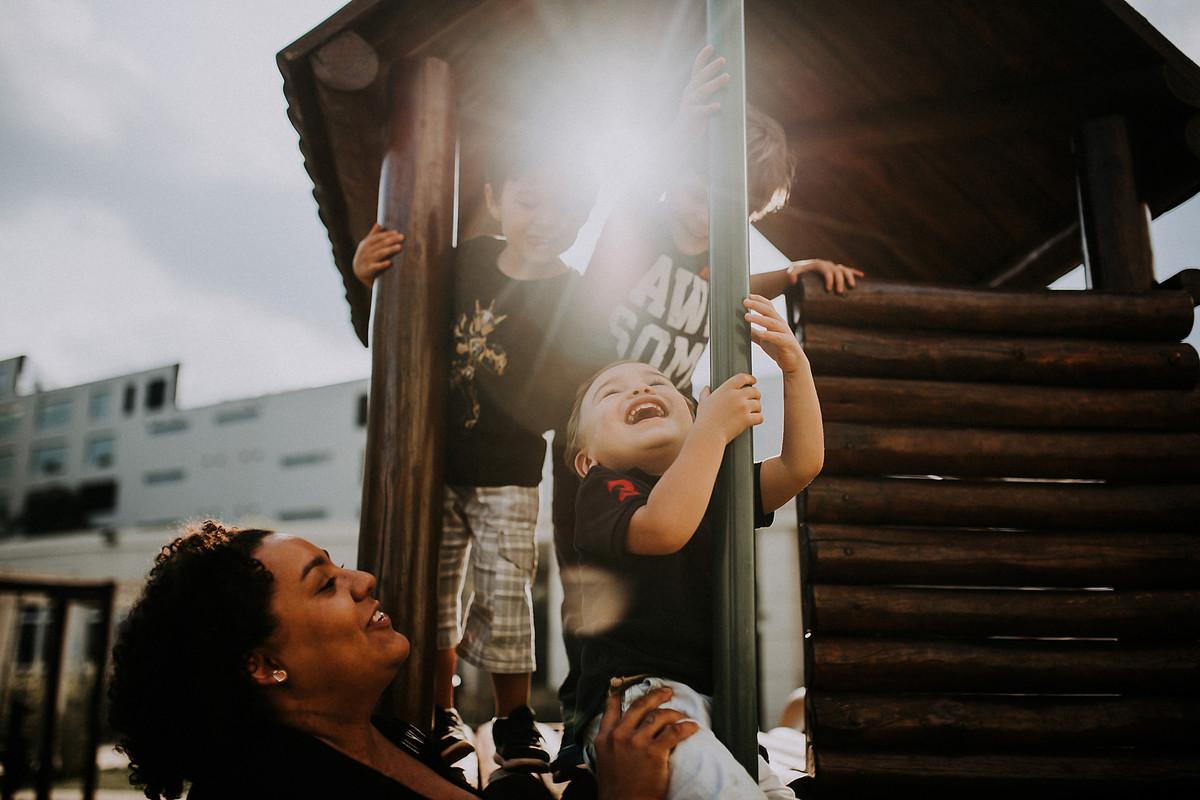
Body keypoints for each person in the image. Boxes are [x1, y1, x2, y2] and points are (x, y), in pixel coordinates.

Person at [549, 45, 858, 780]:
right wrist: (683, 125)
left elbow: (801, 463)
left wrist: (793, 282)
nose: (700, 214)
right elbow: (633, 193)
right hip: (603, 451)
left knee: (690, 553)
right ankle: (590, 712)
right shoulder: (643, 234)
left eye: (724, 208)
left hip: (681, 460)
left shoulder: (715, 265)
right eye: (692, 191)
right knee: (598, 580)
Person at [107, 521, 698, 800]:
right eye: (325, 585)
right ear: (261, 662)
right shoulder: (264, 792)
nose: (363, 580)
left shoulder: (392, 734)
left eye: (340, 568)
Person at [353, 128, 597, 772]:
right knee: (434, 593)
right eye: (530, 200)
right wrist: (369, 275)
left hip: (511, 474)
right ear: (496, 197)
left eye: (564, 207)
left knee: (504, 592)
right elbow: (397, 324)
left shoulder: (574, 296)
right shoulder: (462, 262)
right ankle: (441, 710)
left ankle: (514, 717)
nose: (545, 219)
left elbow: (575, 387)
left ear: (582, 217)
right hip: (435, 467)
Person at [560, 293, 824, 800]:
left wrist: (794, 365)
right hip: (639, 703)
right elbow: (663, 528)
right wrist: (711, 430)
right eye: (609, 393)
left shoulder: (711, 486)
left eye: (658, 382)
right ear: (587, 460)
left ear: (688, 411)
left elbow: (800, 465)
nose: (639, 386)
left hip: (719, 703)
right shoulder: (606, 488)